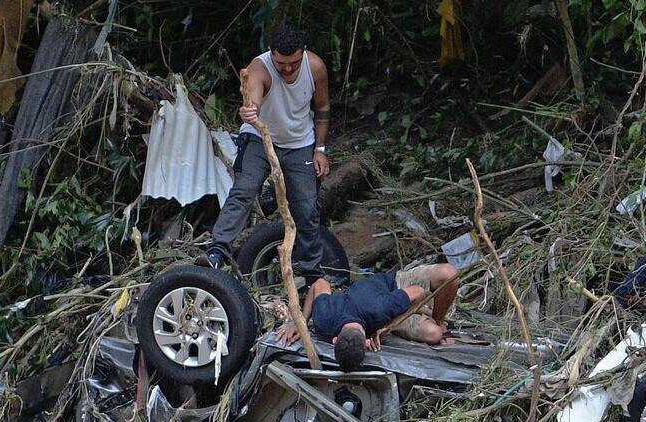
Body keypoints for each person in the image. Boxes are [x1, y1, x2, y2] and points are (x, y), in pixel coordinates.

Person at [196, 24, 331, 286]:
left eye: (294, 62)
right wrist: (251, 110)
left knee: (305, 208)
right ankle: (217, 251)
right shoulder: (260, 68)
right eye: (282, 63)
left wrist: (320, 149)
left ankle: (312, 272)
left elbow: (323, 106)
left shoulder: (315, 66)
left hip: (300, 142)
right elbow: (253, 95)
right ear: (271, 54)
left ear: (303, 53)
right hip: (259, 137)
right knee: (244, 191)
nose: (288, 69)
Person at [277, 264, 459, 371]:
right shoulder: (324, 319)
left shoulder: (380, 309)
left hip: (395, 286)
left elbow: (418, 292)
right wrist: (298, 322)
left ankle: (438, 318)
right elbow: (320, 283)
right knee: (433, 335)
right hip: (381, 305)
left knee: (448, 274)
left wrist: (387, 326)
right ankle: (426, 314)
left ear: (334, 339)